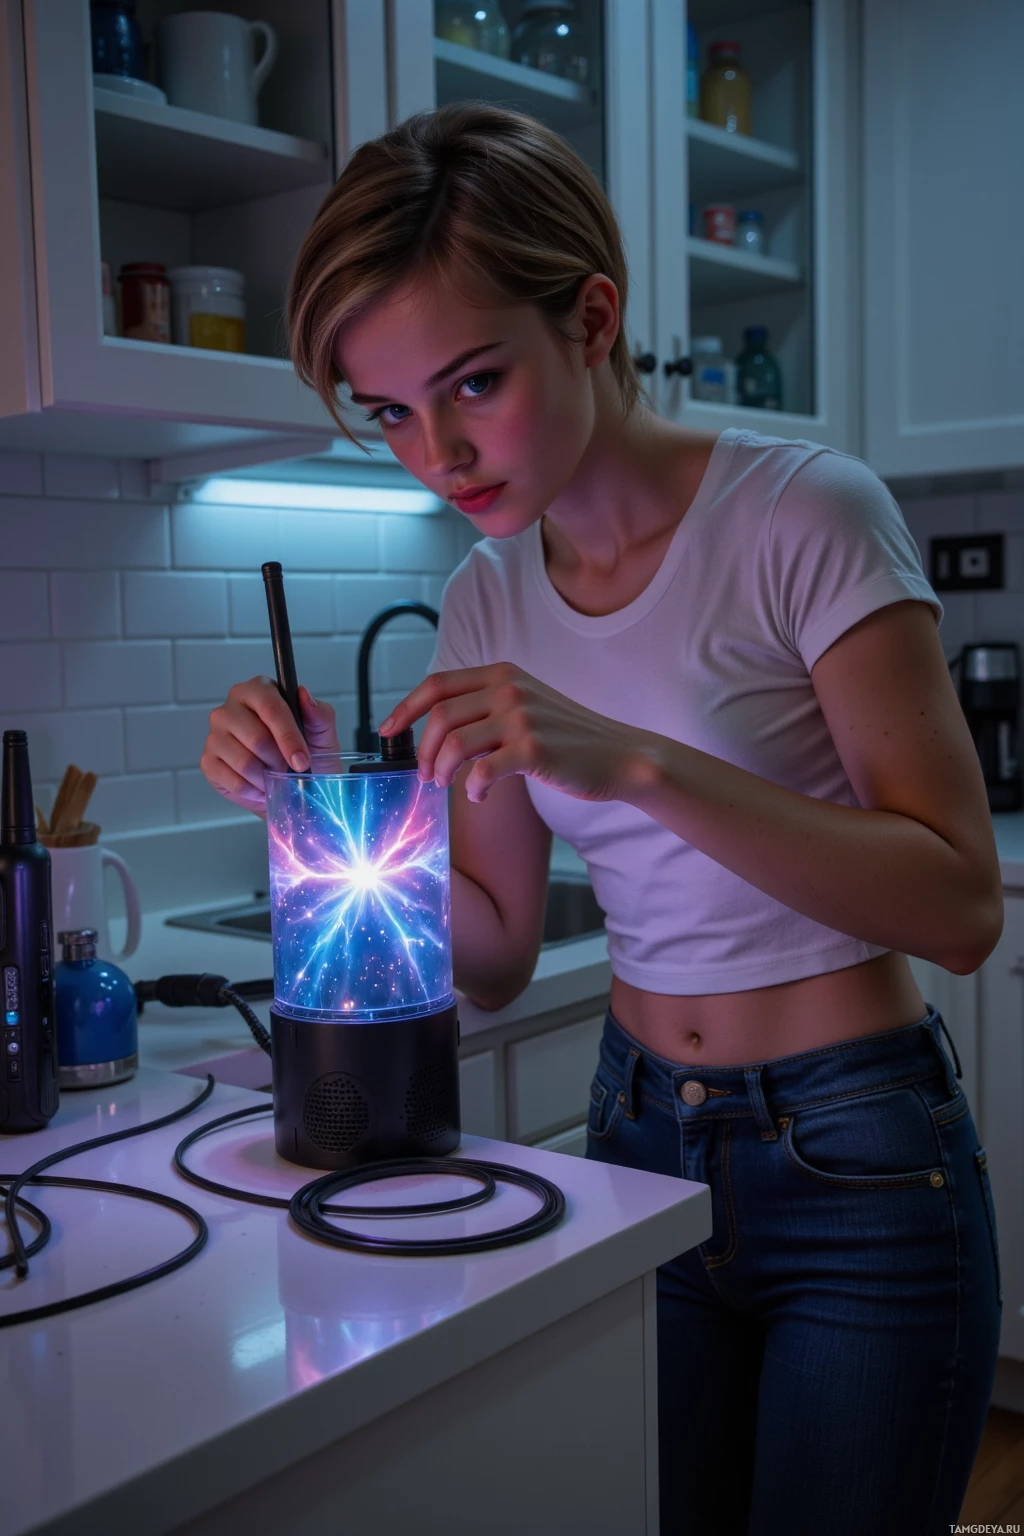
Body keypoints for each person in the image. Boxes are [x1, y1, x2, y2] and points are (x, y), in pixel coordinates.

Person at [199, 104, 1004, 1535]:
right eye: (388, 412)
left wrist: (635, 764)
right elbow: (498, 950)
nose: (436, 451)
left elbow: (958, 902)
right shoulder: (486, 599)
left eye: (472, 382)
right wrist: (305, 827)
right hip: (633, 1140)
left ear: (592, 317)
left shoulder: (804, 514)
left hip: (858, 1157)